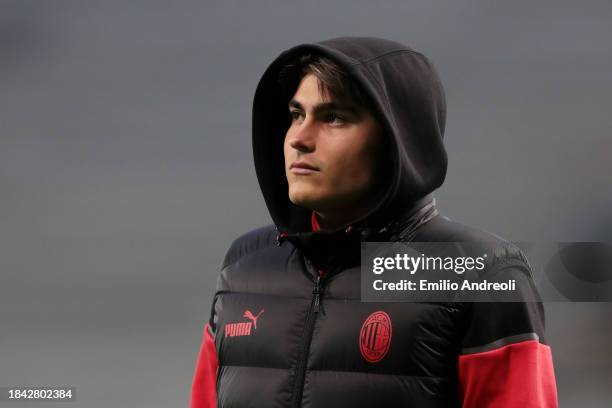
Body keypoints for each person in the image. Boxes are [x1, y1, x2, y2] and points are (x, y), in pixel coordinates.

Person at [191, 36, 558, 407]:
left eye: (333, 117)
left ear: (398, 140)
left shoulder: (479, 272)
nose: (299, 139)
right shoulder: (244, 267)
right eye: (296, 115)